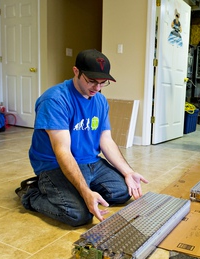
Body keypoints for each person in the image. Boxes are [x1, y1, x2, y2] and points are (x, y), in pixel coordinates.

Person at [16, 49, 148, 227]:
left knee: (123, 192)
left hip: (91, 162)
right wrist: (85, 192)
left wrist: (128, 172)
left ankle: (78, 188)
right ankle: (31, 194)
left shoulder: (100, 101)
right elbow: (62, 151)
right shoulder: (54, 100)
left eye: (103, 83)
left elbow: (106, 140)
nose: (97, 88)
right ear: (76, 71)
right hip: (54, 165)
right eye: (92, 81)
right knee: (79, 214)